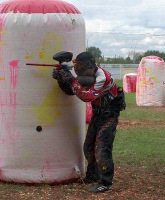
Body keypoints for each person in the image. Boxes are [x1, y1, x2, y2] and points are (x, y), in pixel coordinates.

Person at [52, 52, 125, 193]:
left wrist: (71, 81)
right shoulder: (88, 76)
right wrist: (61, 79)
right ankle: (92, 176)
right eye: (76, 65)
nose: (77, 69)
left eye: (80, 66)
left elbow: (87, 96)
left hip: (109, 116)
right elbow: (70, 91)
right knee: (88, 147)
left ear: (89, 65)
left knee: (102, 149)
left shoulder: (103, 77)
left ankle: (106, 182)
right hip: (98, 114)